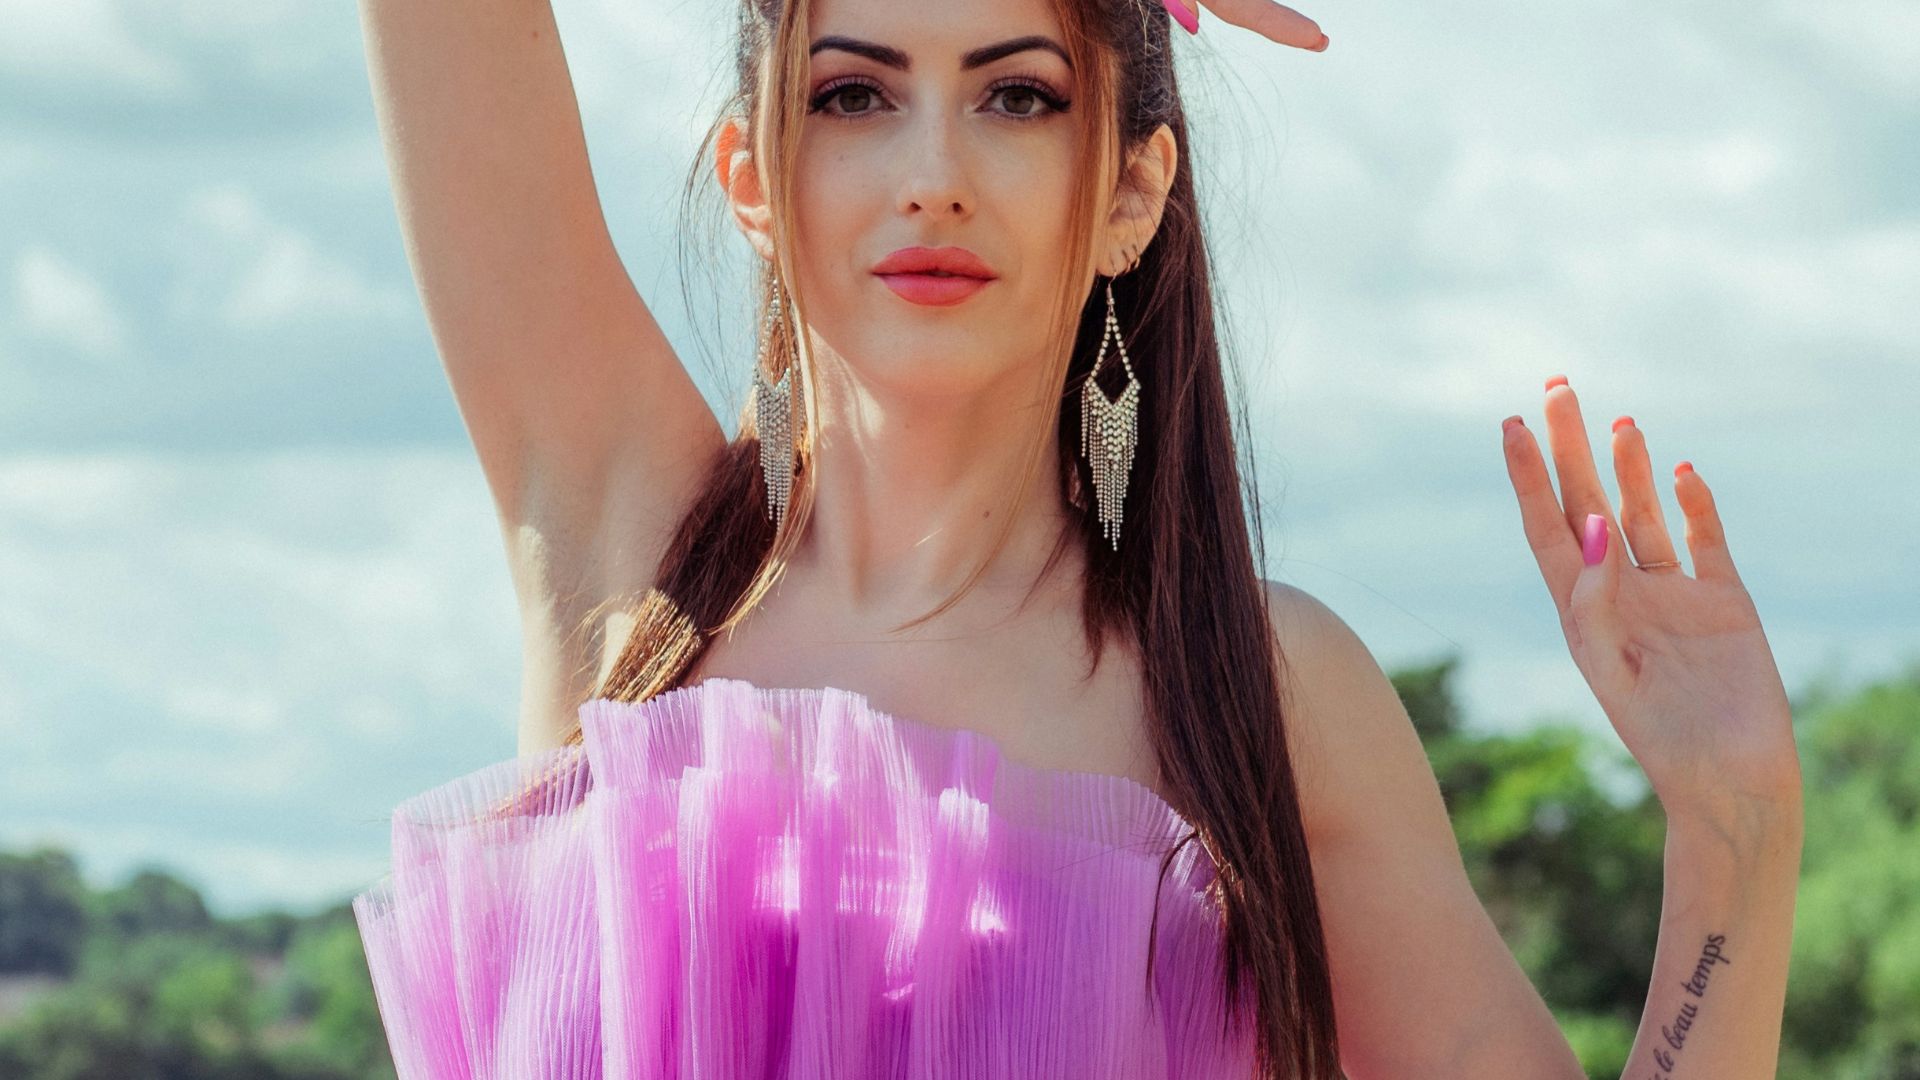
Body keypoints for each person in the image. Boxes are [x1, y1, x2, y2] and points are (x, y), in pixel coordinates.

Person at [349, 0, 1804, 1077]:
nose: (935, 173)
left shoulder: (1255, 694)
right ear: (752, 179)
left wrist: (1733, 828)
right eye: (855, 95)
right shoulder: (631, 548)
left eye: (1020, 96)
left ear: (1131, 192)